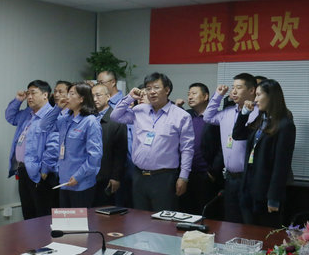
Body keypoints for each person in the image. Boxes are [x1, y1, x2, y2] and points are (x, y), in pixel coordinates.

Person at [111, 72, 194, 212]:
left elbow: (187, 149)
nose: (152, 92)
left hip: (164, 177)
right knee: (140, 217)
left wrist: (184, 177)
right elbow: (115, 116)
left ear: (167, 90)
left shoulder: (181, 116)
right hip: (139, 176)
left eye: (156, 87)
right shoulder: (139, 110)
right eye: (148, 88)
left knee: (163, 219)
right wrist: (130, 97)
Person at [233, 79, 296, 227]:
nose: (255, 100)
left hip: (266, 191)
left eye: (258, 95)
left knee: (263, 235)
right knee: (247, 232)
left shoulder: (285, 125)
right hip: (248, 186)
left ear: (271, 96)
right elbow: (237, 134)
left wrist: (274, 197)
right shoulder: (261, 120)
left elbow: (282, 164)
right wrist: (244, 114)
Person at [203, 73, 258, 223]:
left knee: (248, 222)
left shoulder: (258, 113)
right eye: (233, 88)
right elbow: (207, 117)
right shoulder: (226, 112)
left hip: (248, 178)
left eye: (238, 88)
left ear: (251, 90)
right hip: (229, 177)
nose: (233, 91)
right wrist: (218, 96)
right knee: (230, 220)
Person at [5, 80, 59, 219]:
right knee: (28, 213)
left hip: (41, 172)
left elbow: (54, 146)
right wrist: (18, 100)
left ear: (45, 95)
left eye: (33, 93)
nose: (29, 97)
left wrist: (45, 170)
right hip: (23, 169)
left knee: (42, 215)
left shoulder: (52, 116)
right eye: (28, 93)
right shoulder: (27, 114)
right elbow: (10, 117)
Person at [45, 83, 103, 208]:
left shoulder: (90, 121)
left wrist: (78, 176)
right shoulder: (66, 119)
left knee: (79, 220)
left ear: (81, 99)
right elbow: (44, 125)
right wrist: (57, 108)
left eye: (72, 94)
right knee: (65, 219)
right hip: (64, 181)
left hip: (81, 183)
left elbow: (95, 156)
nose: (67, 97)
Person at [179, 83, 224, 217]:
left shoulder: (216, 118)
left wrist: (213, 172)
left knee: (206, 215)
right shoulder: (186, 115)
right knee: (186, 213)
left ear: (205, 96)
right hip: (186, 174)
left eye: (194, 93)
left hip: (206, 175)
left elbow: (222, 147)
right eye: (188, 94)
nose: (190, 97)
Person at [91, 83, 127, 207]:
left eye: (98, 95)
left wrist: (115, 177)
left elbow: (120, 152)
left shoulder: (116, 119)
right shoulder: (88, 117)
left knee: (102, 211)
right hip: (88, 175)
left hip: (105, 176)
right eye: (92, 96)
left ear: (108, 97)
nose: (94, 99)